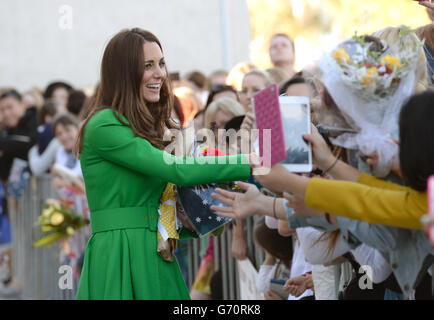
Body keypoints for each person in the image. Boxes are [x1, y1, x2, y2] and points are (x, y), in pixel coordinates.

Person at [72, 28, 255, 300]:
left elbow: (166, 189)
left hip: (154, 249)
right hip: (120, 253)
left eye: (161, 63)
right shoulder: (103, 124)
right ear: (123, 73)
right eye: (148, 66)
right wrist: (252, 163)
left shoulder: (142, 124)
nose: (160, 73)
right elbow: (176, 170)